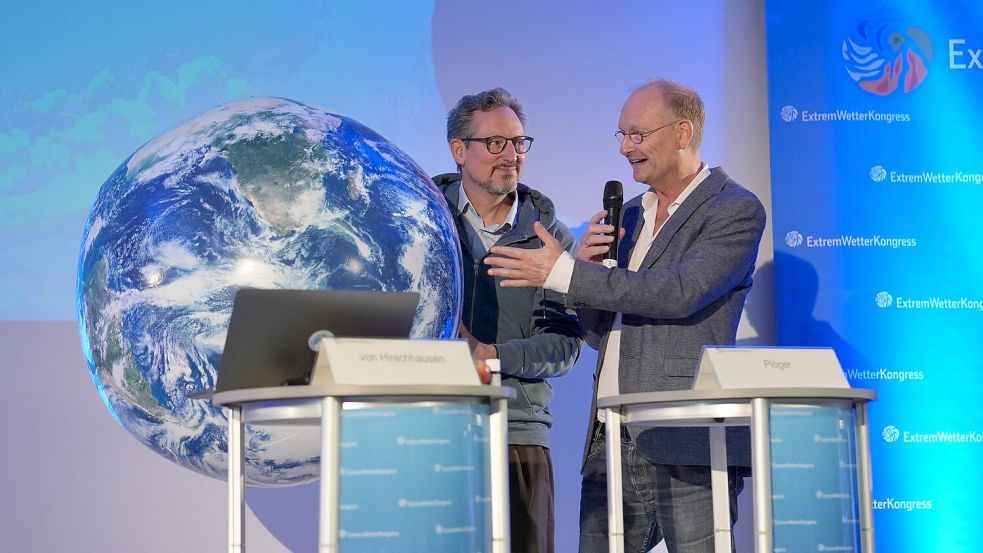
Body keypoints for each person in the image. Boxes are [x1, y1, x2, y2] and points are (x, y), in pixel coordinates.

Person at [484, 79, 767, 553]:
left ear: (682, 132)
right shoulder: (629, 214)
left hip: (689, 434)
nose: (625, 148)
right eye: (621, 135)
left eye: (637, 135)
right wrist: (589, 277)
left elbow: (681, 292)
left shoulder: (733, 208)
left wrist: (568, 274)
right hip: (611, 433)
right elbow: (602, 333)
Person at [432, 87, 582, 553]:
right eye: (495, 143)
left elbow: (565, 345)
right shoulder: (422, 220)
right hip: (428, 427)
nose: (511, 155)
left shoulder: (549, 238)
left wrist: (491, 356)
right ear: (460, 150)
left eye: (518, 143)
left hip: (517, 431)